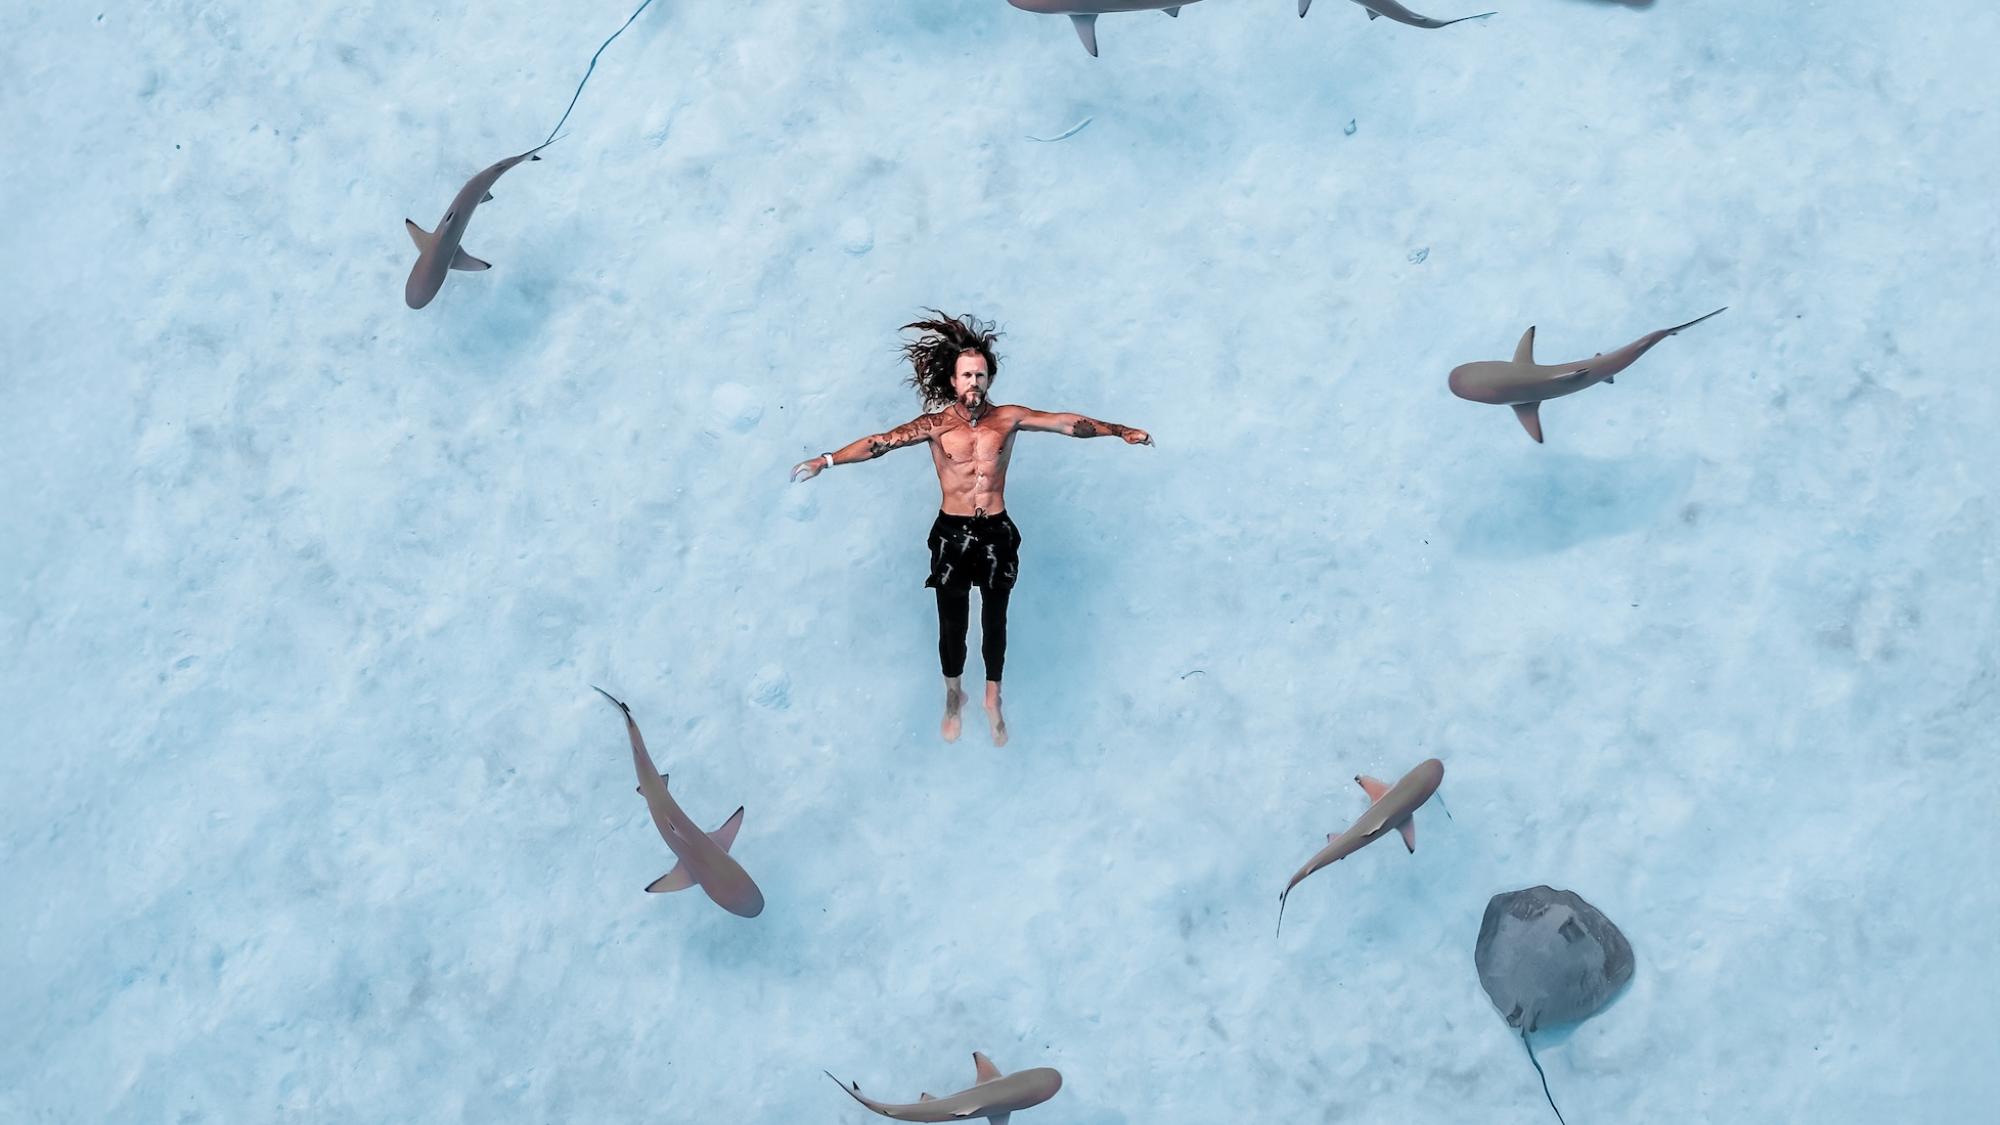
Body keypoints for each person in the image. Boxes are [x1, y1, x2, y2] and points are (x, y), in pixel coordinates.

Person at [791, 311, 1152, 745]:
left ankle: (992, 697)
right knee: (952, 622)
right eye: (967, 375)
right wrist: (825, 461)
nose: (974, 382)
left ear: (989, 379)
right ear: (953, 381)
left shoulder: (1009, 418)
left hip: (997, 530)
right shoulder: (935, 426)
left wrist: (1120, 430)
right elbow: (880, 443)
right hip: (952, 533)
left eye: (981, 375)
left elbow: (1066, 423)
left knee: (995, 619)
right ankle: (953, 694)